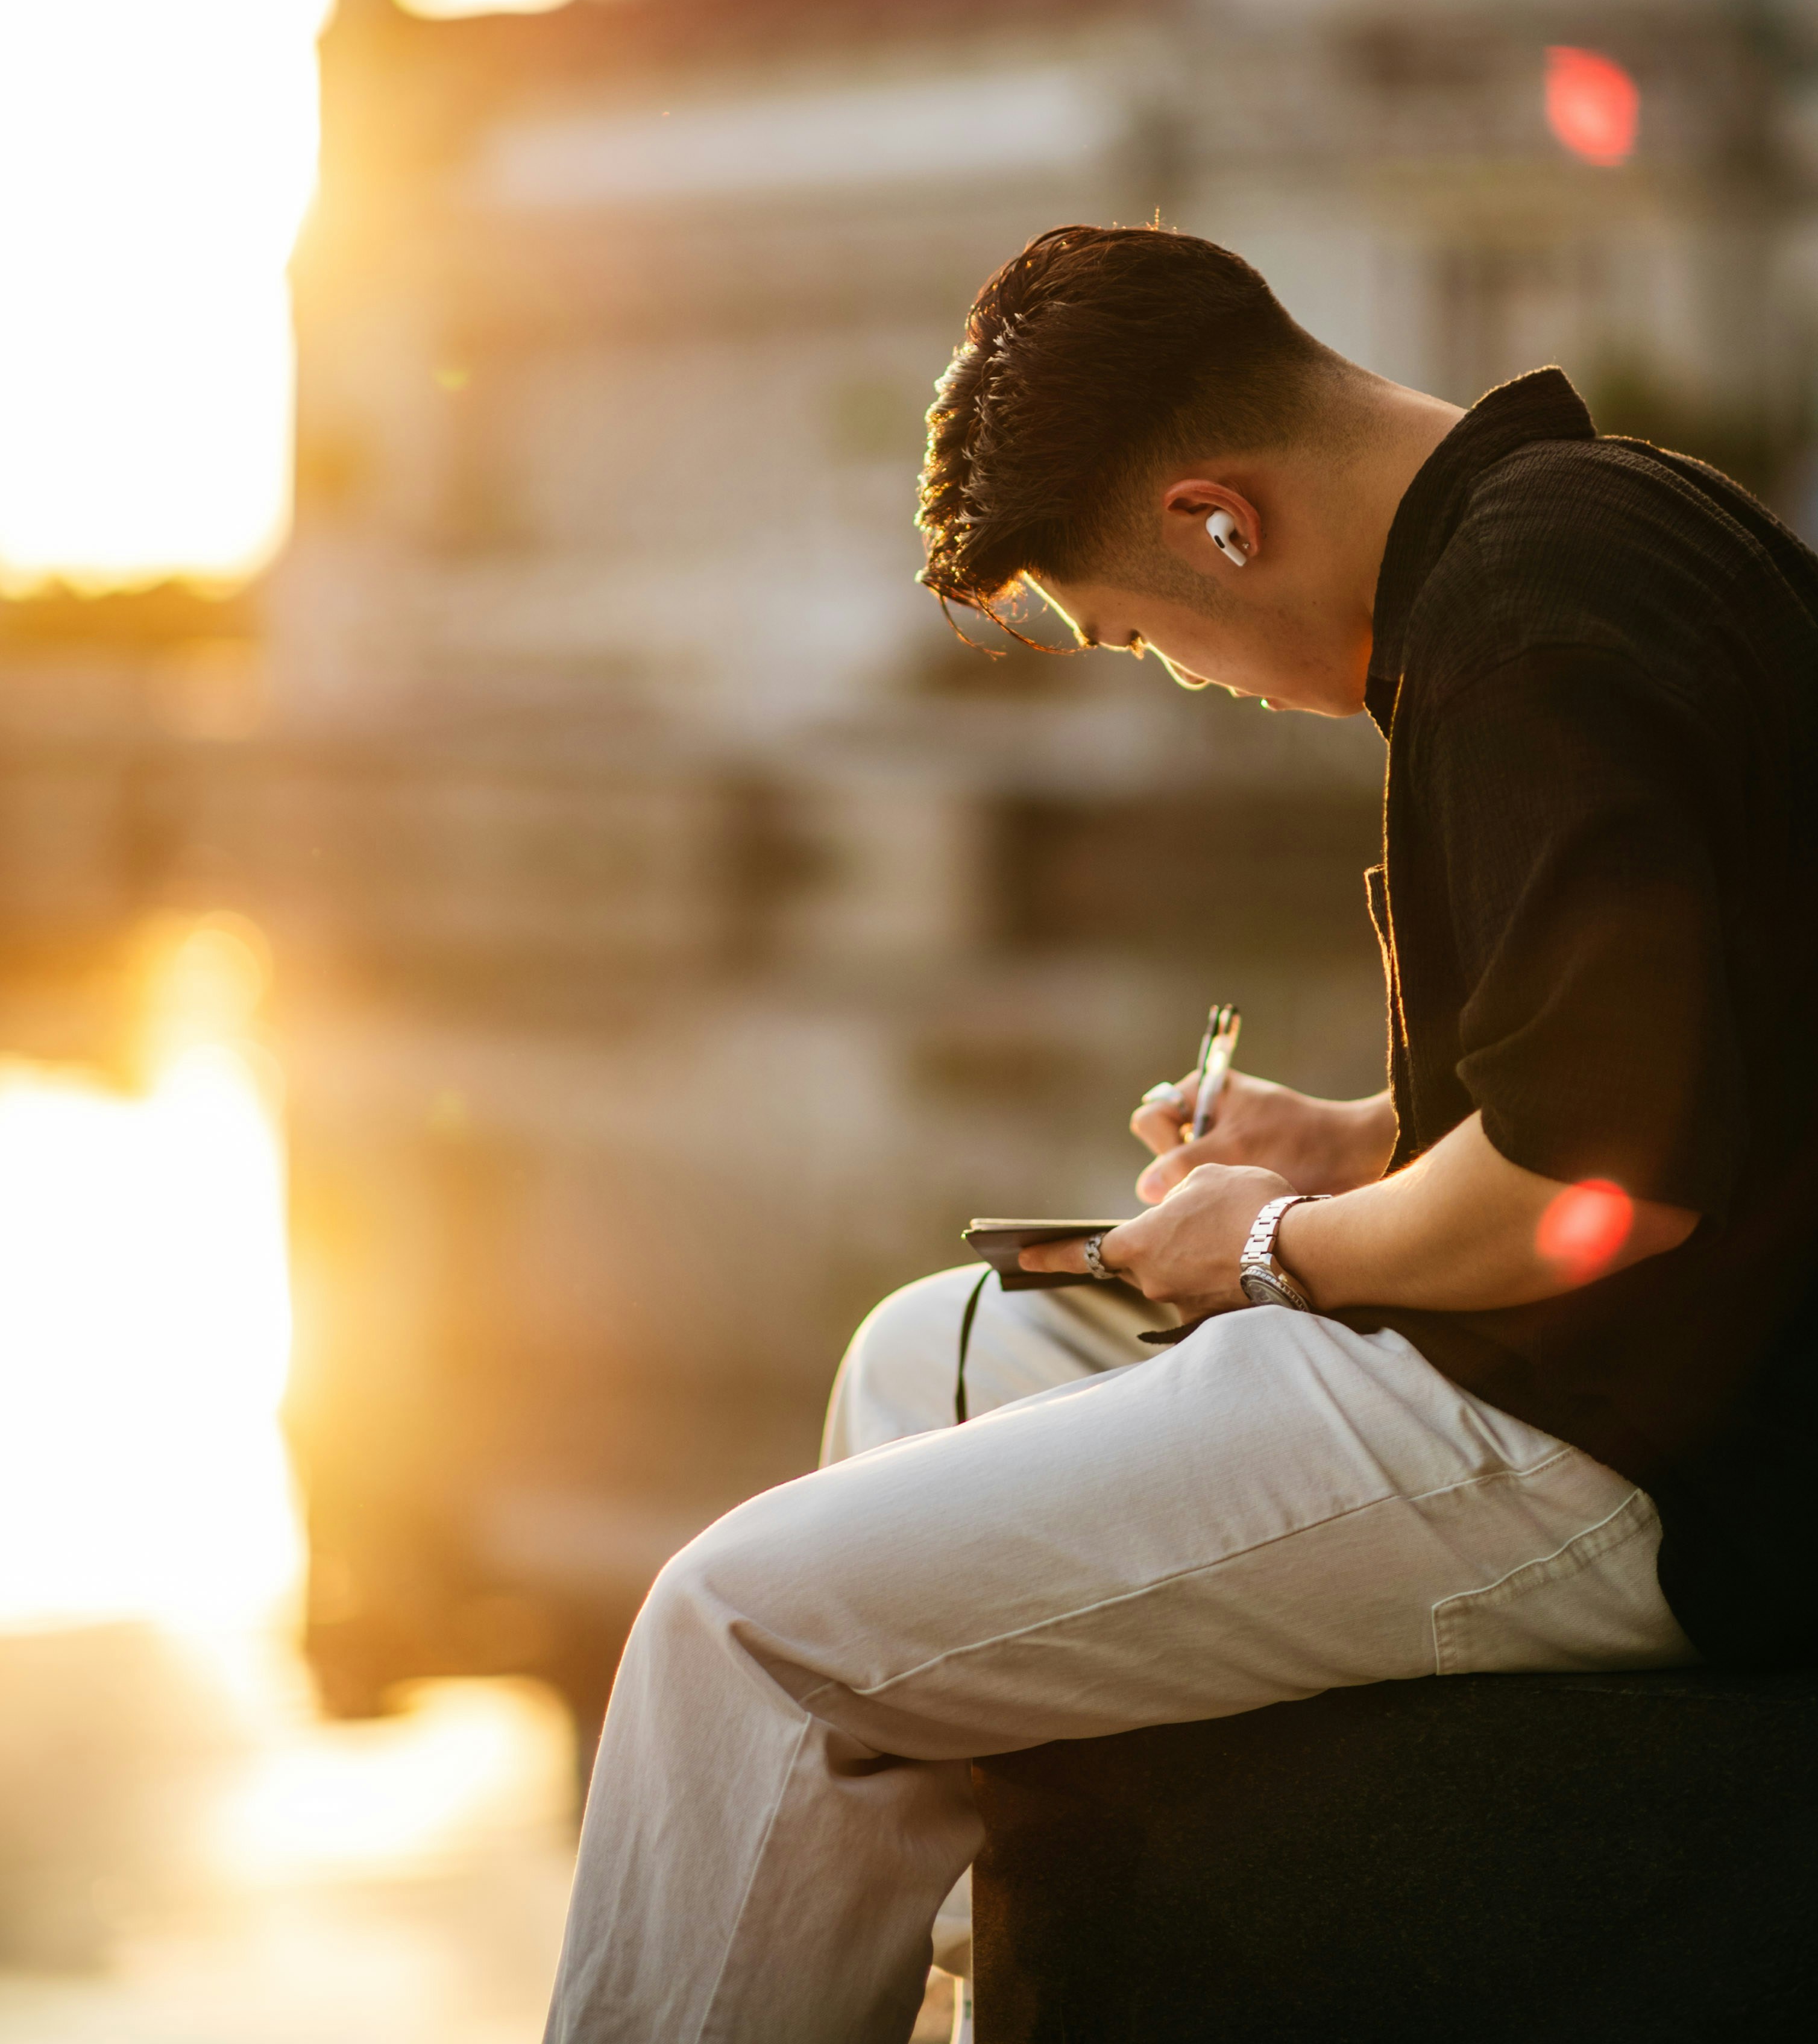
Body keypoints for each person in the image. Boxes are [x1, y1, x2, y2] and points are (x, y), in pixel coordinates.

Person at [543, 222, 1818, 2044]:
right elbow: (1690, 1057)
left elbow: (1588, 1190)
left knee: (741, 1632)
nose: (1181, 676)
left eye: (1140, 631)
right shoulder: (1609, 526)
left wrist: (1268, 1251)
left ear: (1219, 516)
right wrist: (1354, 1144)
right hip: (1662, 1375)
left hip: (1651, 1453)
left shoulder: (1526, 626)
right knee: (934, 1359)